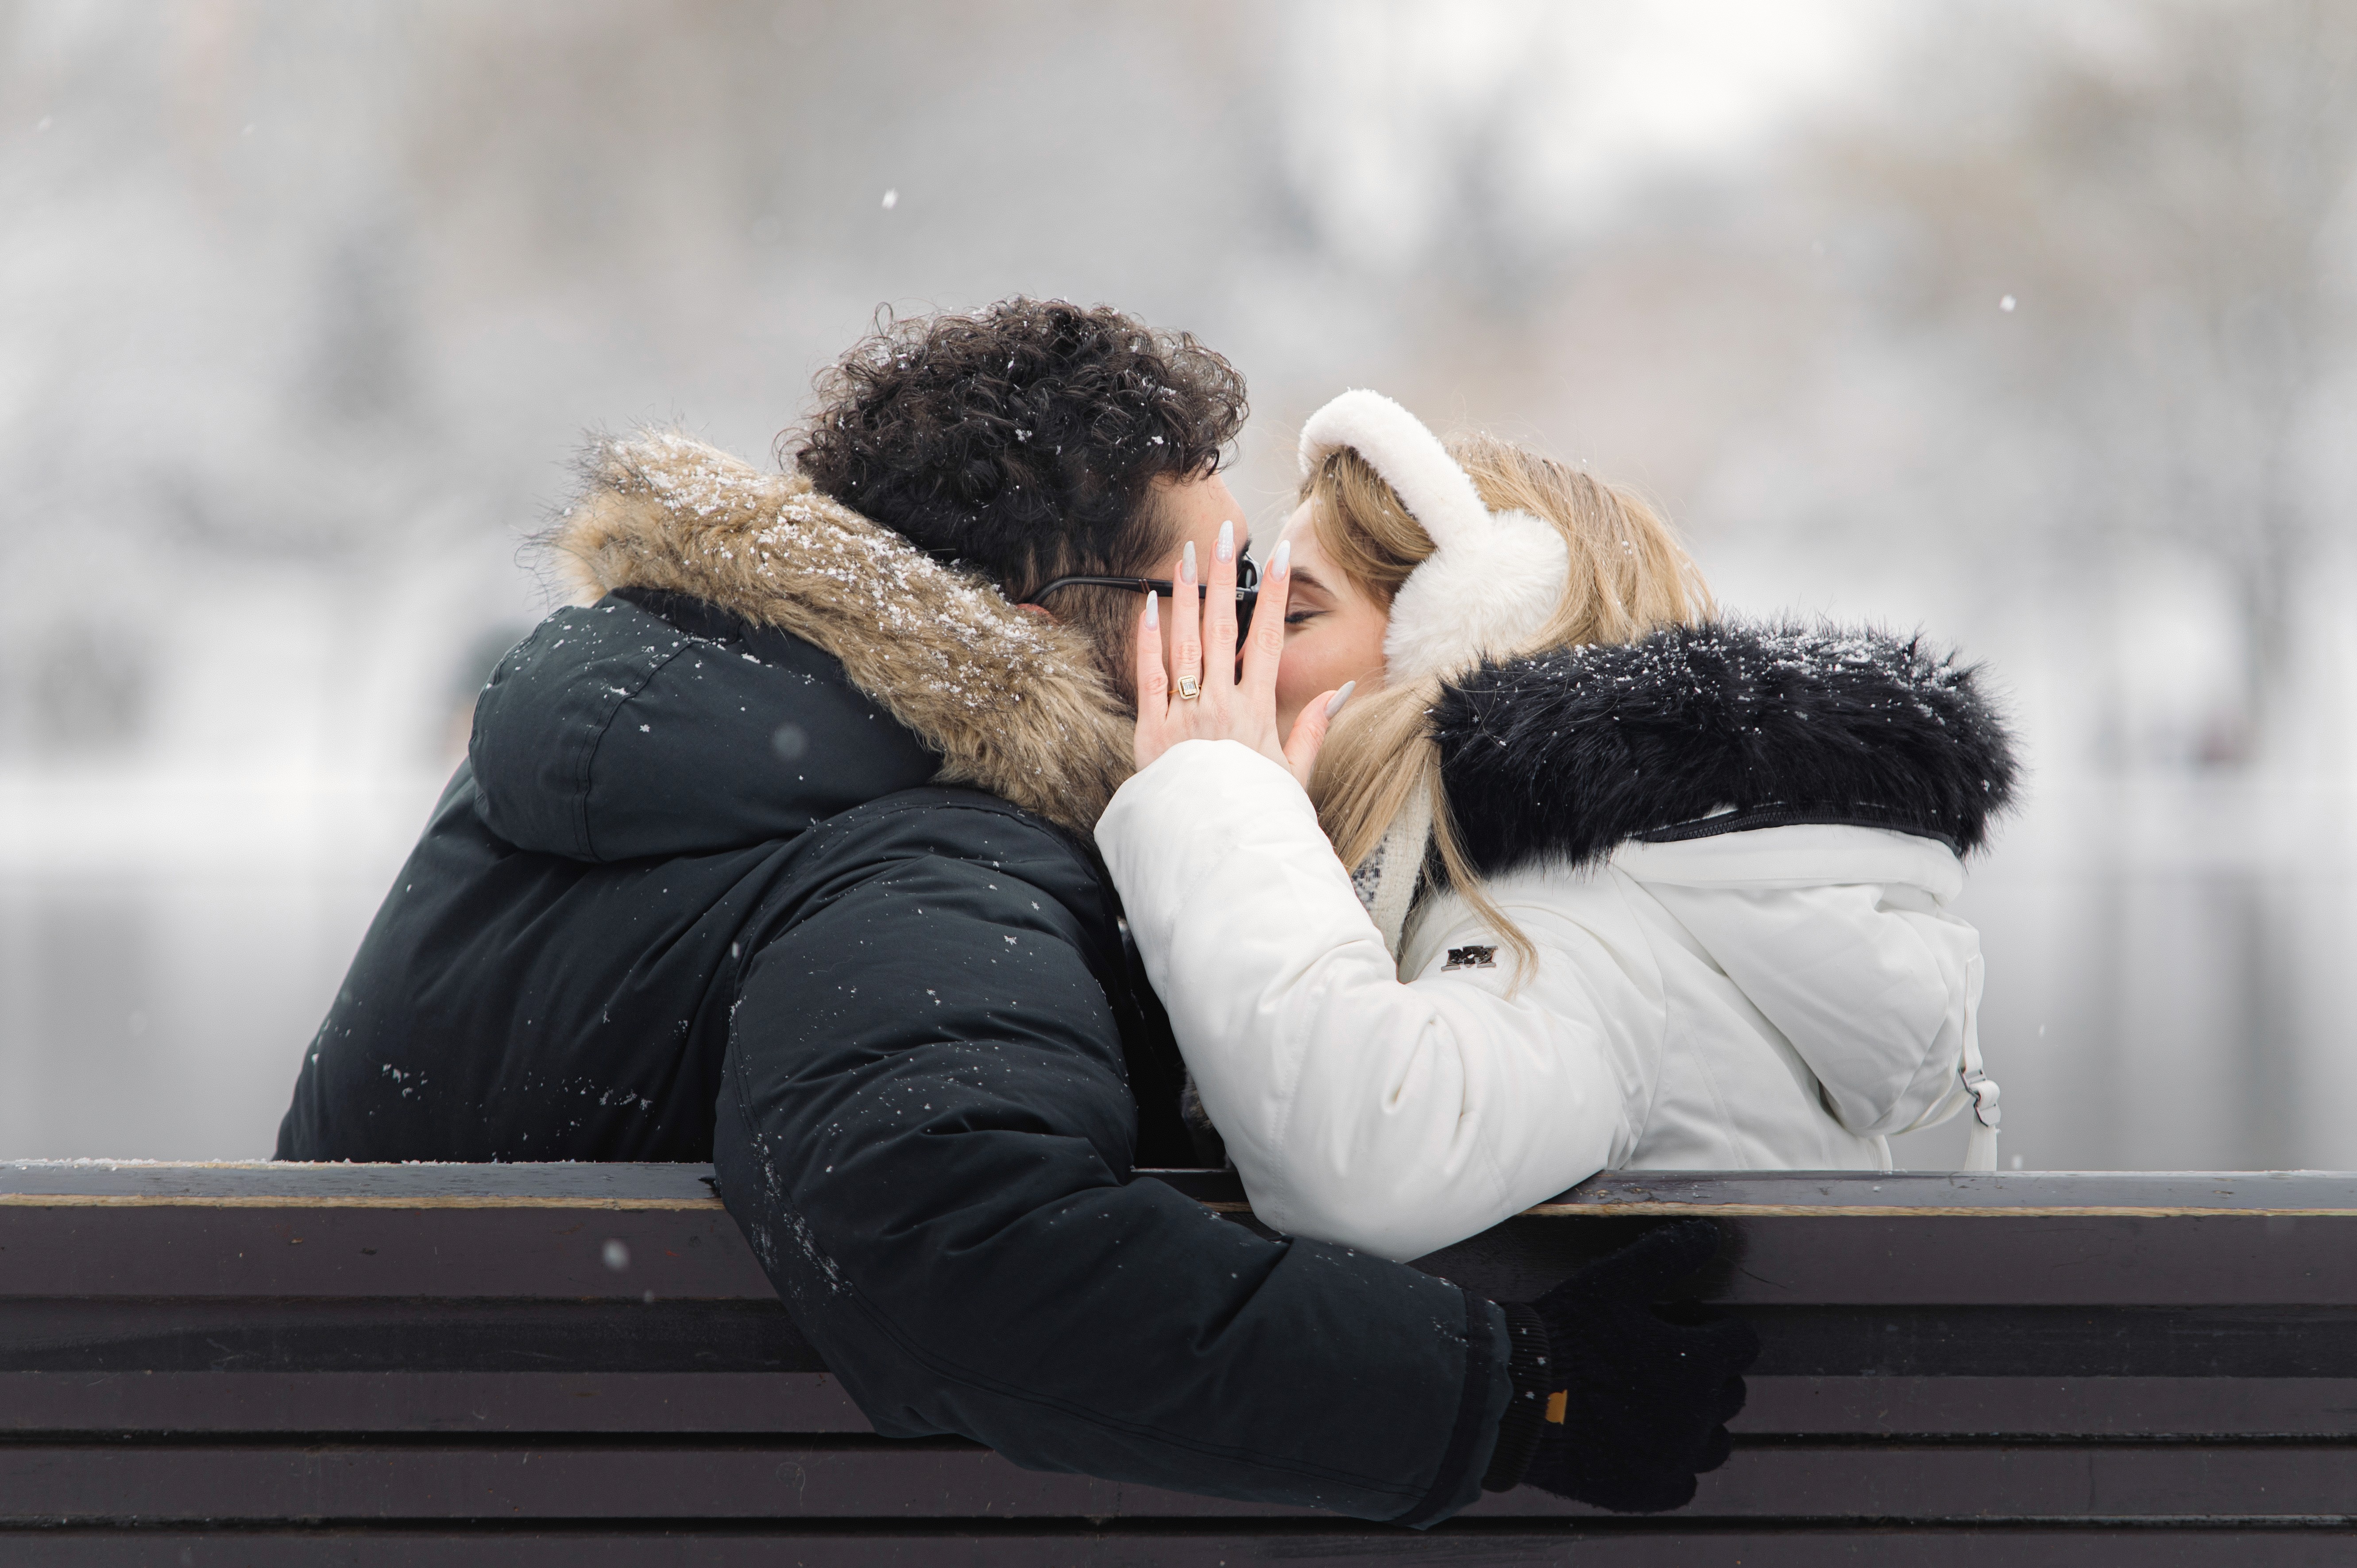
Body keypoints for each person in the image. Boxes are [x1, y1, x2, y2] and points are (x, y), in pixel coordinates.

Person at [274, 303, 1754, 1523]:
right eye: (1227, 586)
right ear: (1047, 632)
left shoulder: (708, 741)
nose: (1251, 631)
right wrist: (1508, 1392)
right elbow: (960, 1249)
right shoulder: (929, 859)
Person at [1097, 390, 2017, 1263]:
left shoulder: (1568, 919)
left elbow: (1368, 1152)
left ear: (1460, 644)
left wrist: (1213, 796)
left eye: (1286, 615)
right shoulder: (1565, 891)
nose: (1234, 656)